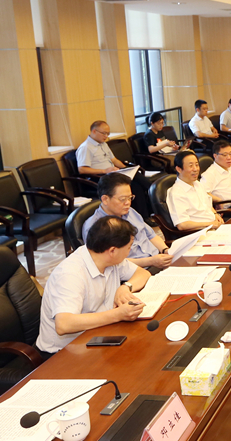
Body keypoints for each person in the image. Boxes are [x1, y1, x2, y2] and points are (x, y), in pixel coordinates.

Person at [36, 216, 150, 356]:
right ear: (112, 251)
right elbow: (64, 324)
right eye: (128, 247)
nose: (129, 252)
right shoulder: (70, 274)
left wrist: (125, 287)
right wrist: (118, 315)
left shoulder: (107, 258)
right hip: (64, 352)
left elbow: (143, 273)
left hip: (99, 333)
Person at [82, 174, 172, 270]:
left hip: (157, 260)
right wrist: (151, 261)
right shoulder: (95, 228)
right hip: (135, 270)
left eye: (130, 198)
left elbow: (151, 235)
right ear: (105, 199)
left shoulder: (130, 211)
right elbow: (109, 263)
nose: (128, 203)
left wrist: (165, 250)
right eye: (123, 199)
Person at [77, 120, 151, 218]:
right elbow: (82, 169)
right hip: (101, 178)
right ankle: (144, 215)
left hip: (113, 174)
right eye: (104, 133)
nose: (106, 136)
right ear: (94, 131)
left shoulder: (103, 144)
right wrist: (104, 171)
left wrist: (126, 169)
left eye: (108, 134)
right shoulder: (86, 147)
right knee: (134, 186)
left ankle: (152, 203)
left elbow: (114, 160)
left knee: (137, 176)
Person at [167, 151, 224, 230]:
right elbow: (182, 225)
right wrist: (210, 224)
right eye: (191, 166)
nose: (196, 169)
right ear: (179, 169)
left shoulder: (197, 184)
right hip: (200, 232)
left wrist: (215, 214)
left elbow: (207, 205)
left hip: (213, 227)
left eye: (197, 165)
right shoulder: (176, 193)